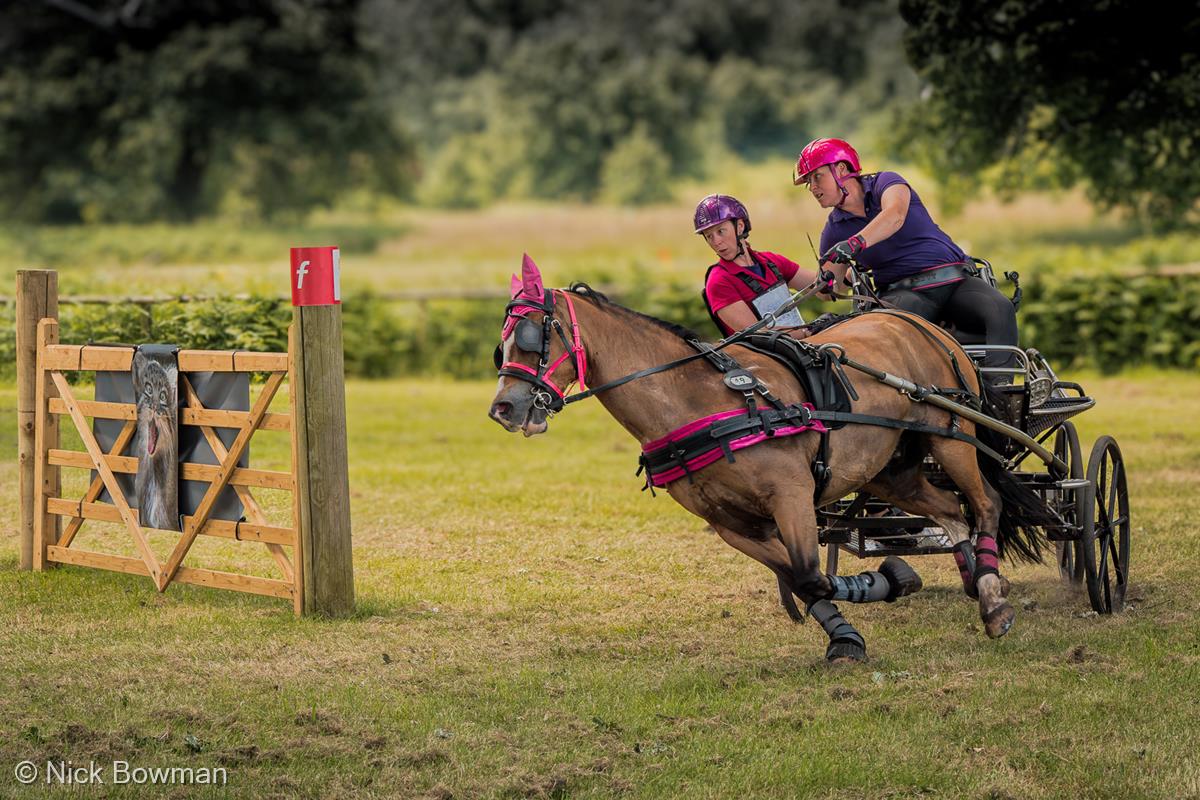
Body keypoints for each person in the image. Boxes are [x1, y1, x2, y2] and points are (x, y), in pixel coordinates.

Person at [793, 137, 1019, 373]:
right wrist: (838, 281)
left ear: (841, 169)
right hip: (904, 292)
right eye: (809, 182)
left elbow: (895, 216)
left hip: (955, 280)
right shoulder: (833, 231)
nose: (813, 188)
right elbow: (829, 291)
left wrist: (854, 243)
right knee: (893, 331)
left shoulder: (886, 182)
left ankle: (999, 394)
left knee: (1000, 308)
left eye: (817, 177)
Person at [696, 194, 819, 337]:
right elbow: (759, 335)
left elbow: (823, 286)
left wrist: (844, 272)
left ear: (740, 227)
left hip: (801, 349)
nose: (716, 242)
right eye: (709, 236)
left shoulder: (771, 261)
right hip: (761, 357)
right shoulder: (719, 281)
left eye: (720, 231)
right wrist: (807, 331)